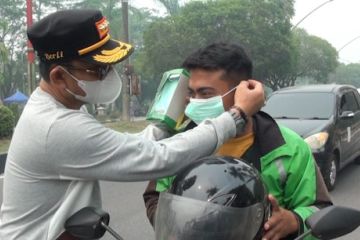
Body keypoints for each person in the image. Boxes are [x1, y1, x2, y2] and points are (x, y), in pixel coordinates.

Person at [0, 11, 264, 240]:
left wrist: (169, 122)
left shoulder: (57, 109)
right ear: (59, 76)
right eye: (98, 70)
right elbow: (159, 158)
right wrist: (236, 115)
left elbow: (134, 144)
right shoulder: (56, 128)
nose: (108, 76)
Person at [143, 42, 332, 240]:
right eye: (191, 93)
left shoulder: (289, 149)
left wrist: (294, 221)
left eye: (206, 93)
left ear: (245, 91)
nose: (195, 102)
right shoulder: (177, 144)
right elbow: (154, 197)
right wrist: (173, 225)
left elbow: (321, 209)